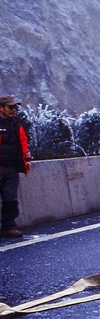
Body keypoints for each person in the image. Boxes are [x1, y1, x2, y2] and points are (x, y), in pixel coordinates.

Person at [0, 96, 31, 237]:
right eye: (10, 107)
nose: (14, 110)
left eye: (15, 107)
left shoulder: (16, 123)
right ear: (1, 108)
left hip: (11, 167)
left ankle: (9, 227)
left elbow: (23, 142)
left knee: (10, 199)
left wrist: (26, 159)